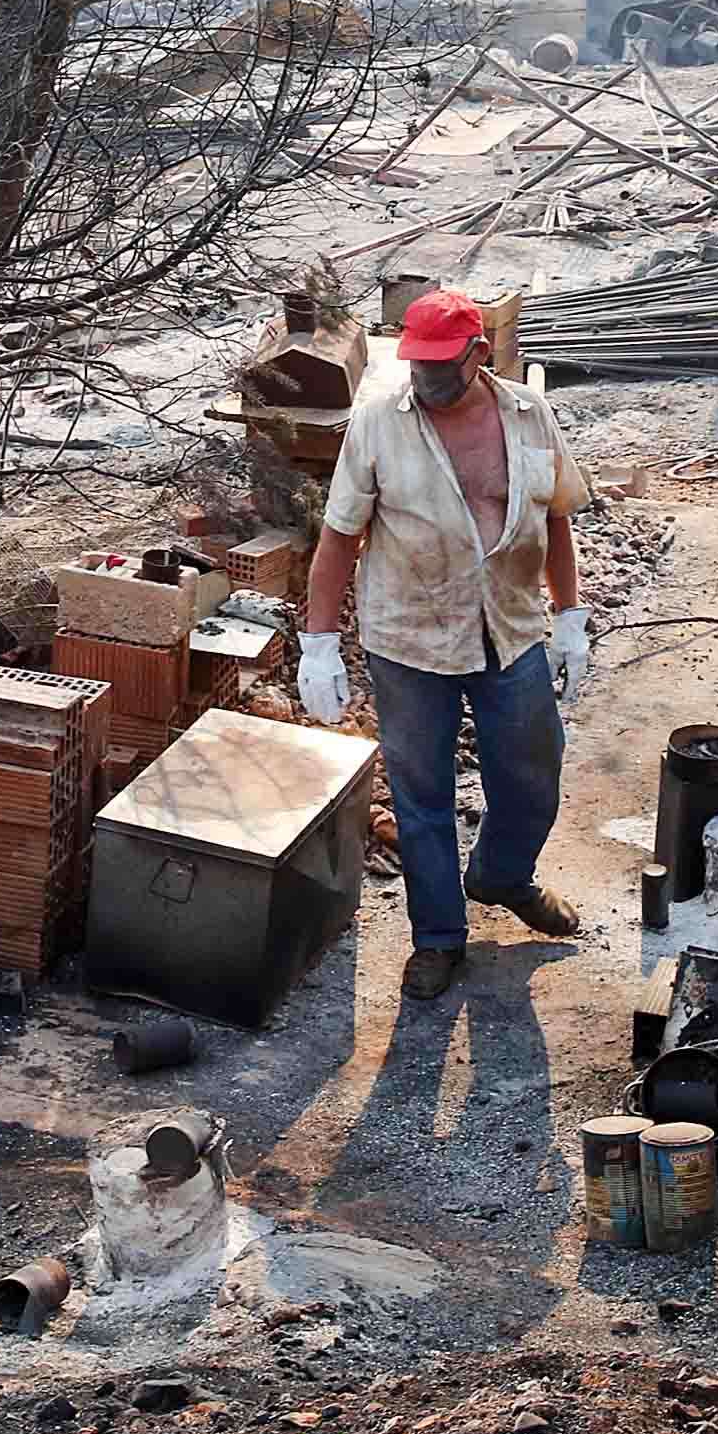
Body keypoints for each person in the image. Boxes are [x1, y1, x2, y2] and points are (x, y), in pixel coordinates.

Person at [295, 288, 592, 1002]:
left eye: (438, 368)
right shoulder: (377, 424)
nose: (424, 381)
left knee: (532, 771)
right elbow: (339, 537)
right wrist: (319, 642)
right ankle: (437, 939)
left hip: (510, 625)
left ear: (477, 354)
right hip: (410, 637)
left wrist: (571, 617)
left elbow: (556, 519)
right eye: (415, 366)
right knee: (422, 794)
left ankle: (502, 873)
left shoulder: (529, 413)